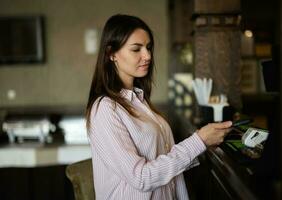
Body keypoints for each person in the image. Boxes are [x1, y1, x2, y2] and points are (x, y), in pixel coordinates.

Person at [86, 14, 232, 200]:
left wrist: (202, 144)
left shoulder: (139, 101)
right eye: (136, 49)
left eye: (148, 48)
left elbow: (165, 168)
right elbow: (141, 178)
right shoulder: (105, 109)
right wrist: (199, 141)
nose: (147, 56)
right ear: (111, 54)